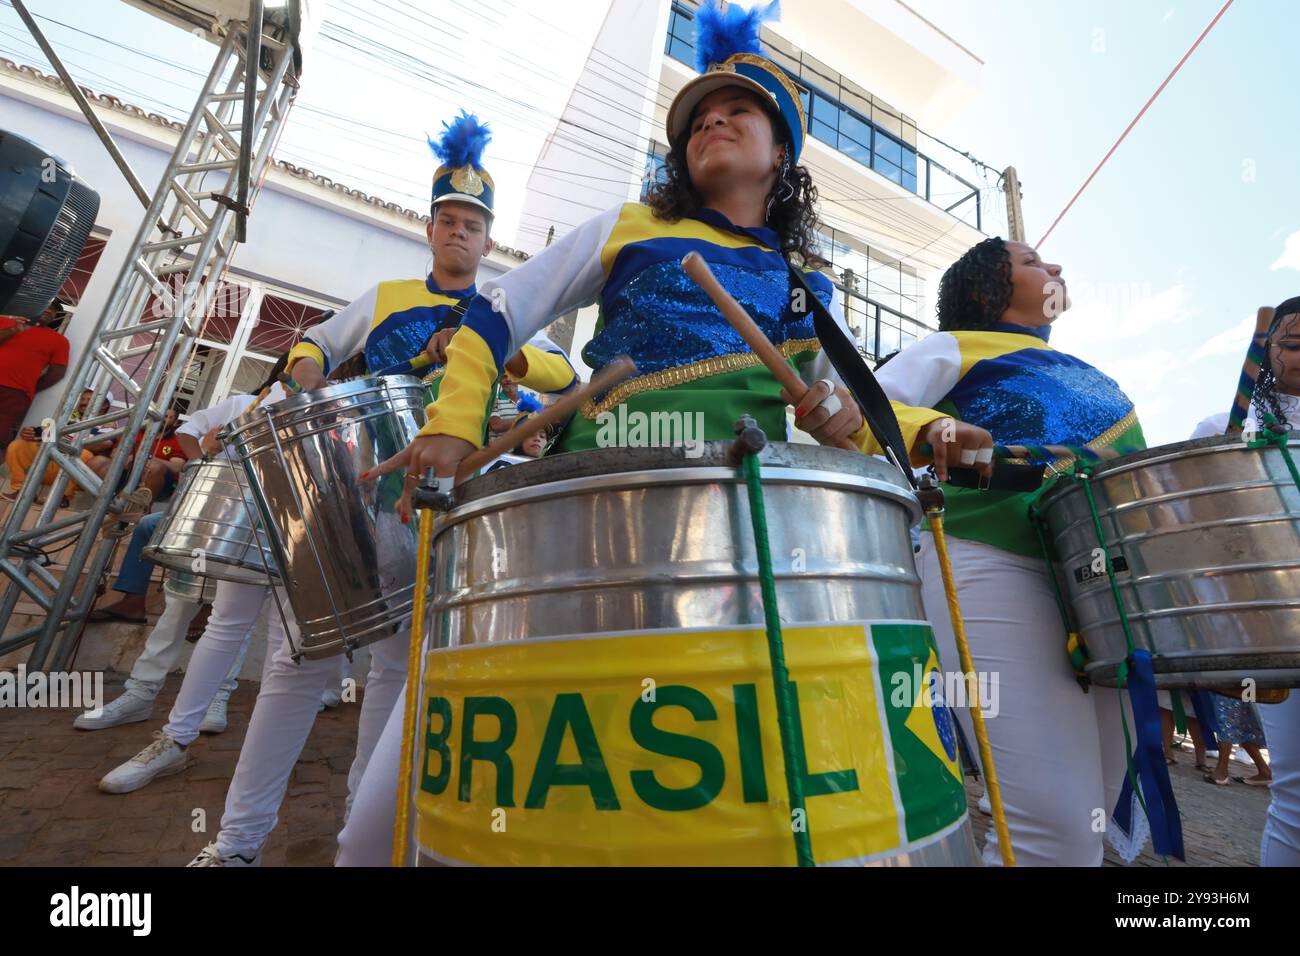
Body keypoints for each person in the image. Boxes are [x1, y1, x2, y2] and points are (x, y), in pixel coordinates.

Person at [345, 0, 987, 866]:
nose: (713, 122)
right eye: (698, 119)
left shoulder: (808, 288)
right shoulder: (629, 228)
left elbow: (857, 408)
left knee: (687, 813)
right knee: (387, 822)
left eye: (739, 112)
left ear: (782, 151)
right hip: (584, 531)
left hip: (744, 556)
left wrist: (907, 430)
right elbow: (499, 314)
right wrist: (455, 424)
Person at [185, 110, 578, 867]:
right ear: (430, 229)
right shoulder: (385, 295)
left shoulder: (505, 306)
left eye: (473, 224)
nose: (459, 232)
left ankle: (357, 845)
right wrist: (310, 378)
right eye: (448, 219)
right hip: (365, 491)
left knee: (399, 675)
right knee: (300, 664)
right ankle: (236, 843)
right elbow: (313, 343)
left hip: (451, 503)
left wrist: (503, 359)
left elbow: (565, 372)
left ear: (488, 241)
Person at [864, 234, 1151, 866]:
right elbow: (864, 407)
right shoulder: (954, 347)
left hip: (1105, 590)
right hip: (991, 561)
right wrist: (934, 429)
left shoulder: (1092, 372)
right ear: (984, 288)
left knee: (1096, 820)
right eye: (1031, 262)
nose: (1054, 265)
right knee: (1053, 833)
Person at [1190, 295, 1299, 864]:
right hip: (1278, 627)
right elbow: (1201, 529)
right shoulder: (1227, 426)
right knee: (1297, 793)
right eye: (1293, 342)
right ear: (1267, 349)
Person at [3, 388, 113, 503]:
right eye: (82, 399)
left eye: (90, 399)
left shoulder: (107, 422)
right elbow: (42, 432)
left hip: (72, 473)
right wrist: (28, 433)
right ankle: (22, 492)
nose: (83, 402)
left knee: (82, 454)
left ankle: (61, 497)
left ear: (104, 405)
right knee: (18, 446)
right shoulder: (69, 417)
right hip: (50, 462)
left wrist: (67, 443)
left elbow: (104, 443)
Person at [0, 301, 69, 452]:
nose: (50, 312)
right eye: (47, 307)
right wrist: (13, 330)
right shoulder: (4, 322)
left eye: (54, 311)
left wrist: (30, 388)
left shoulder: (59, 341)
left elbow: (57, 372)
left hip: (15, 395)